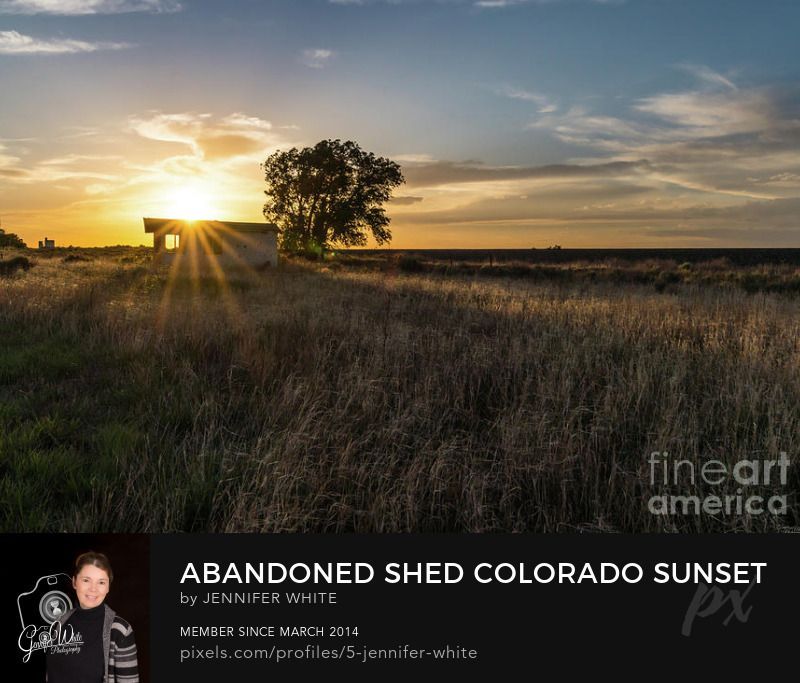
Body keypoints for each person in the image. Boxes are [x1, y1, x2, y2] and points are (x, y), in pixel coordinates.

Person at [46, 552, 139, 683]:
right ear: (74, 582)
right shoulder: (61, 621)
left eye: (101, 582)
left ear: (108, 587)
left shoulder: (120, 630)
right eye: (86, 580)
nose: (93, 589)